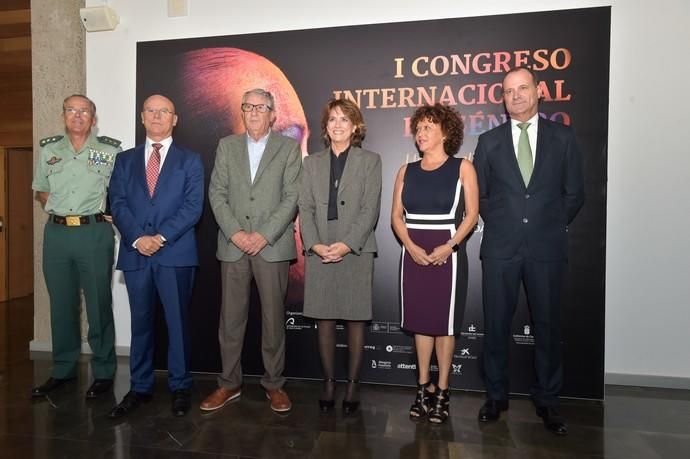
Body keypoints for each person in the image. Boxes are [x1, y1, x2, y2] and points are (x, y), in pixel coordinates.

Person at [473, 66, 585, 435]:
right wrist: (508, 223)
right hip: (500, 248)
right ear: (502, 99)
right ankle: (495, 396)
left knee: (549, 327)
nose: (516, 96)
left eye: (523, 88)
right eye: (509, 91)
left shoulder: (564, 138)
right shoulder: (488, 142)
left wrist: (546, 223)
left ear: (539, 92)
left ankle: (548, 401)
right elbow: (482, 198)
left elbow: (574, 195)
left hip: (546, 247)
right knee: (496, 325)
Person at [202, 88, 302, 413]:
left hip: (270, 246)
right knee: (230, 319)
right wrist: (235, 233)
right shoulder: (226, 146)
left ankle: (274, 384)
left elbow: (292, 196)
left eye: (261, 107)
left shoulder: (288, 148)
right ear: (242, 112)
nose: (254, 112)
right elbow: (216, 192)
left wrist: (262, 235)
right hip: (233, 246)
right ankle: (229, 383)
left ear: (273, 114)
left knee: (274, 320)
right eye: (248, 106)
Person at [107, 95, 204, 418]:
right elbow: (117, 204)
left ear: (175, 119)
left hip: (174, 253)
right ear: (142, 117)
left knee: (177, 324)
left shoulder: (190, 160)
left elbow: (193, 208)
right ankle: (140, 386)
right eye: (151, 111)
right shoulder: (124, 160)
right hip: (137, 254)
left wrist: (159, 238)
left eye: (164, 111)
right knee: (141, 324)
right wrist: (137, 238)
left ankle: (180, 386)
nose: (157, 116)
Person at [391, 103, 479, 424]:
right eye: (419, 127)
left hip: (448, 254)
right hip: (414, 253)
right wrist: (411, 246)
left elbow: (471, 216)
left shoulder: (463, 168)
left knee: (444, 325)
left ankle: (442, 392)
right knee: (420, 323)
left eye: (429, 127)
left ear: (446, 132)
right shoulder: (406, 171)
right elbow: (396, 218)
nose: (421, 133)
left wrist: (450, 245)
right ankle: (422, 387)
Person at [31, 94, 120, 399]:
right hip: (57, 235)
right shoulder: (49, 149)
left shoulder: (109, 149)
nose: (77, 115)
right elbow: (41, 190)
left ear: (93, 119)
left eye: (84, 111)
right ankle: (63, 369)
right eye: (71, 110)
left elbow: (119, 190)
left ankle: (105, 372)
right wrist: (63, 209)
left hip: (93, 233)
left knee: (98, 304)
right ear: (64, 116)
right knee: (61, 305)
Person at [299, 99, 382, 414]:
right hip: (320, 246)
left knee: (355, 317)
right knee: (324, 317)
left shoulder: (370, 160)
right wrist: (315, 244)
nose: (337, 124)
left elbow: (370, 209)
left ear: (355, 126)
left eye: (344, 119)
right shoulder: (311, 163)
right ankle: (329, 382)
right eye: (332, 119)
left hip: (356, 248)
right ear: (326, 126)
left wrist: (347, 244)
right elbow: (304, 208)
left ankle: (352, 385)